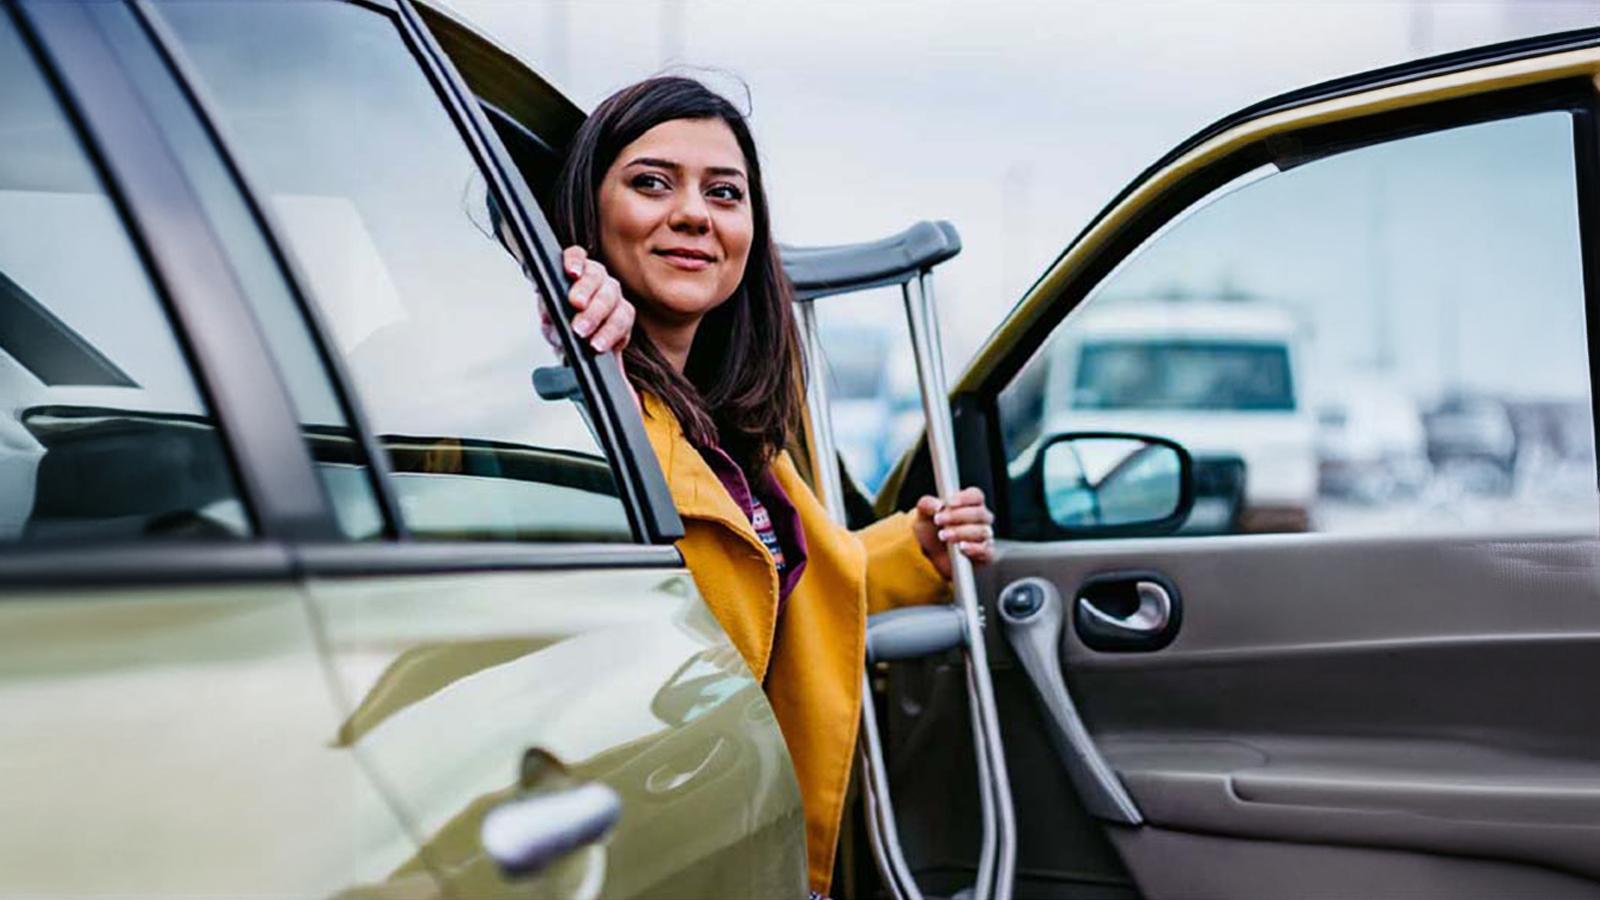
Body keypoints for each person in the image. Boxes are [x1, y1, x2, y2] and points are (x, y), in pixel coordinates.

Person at [552, 76, 995, 896]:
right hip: (658, 842)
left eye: (725, 193)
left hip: (754, 836)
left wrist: (913, 546)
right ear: (586, 214)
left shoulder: (736, 430)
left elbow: (771, 581)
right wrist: (565, 341)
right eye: (652, 183)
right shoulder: (576, 400)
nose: (695, 214)